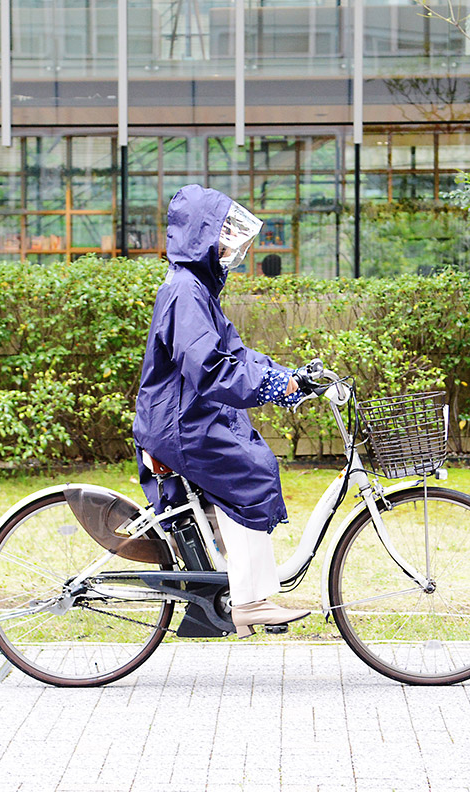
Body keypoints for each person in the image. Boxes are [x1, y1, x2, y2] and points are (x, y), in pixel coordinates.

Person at [132, 184, 310, 638]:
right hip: (179, 421)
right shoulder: (184, 292)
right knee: (250, 473)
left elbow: (236, 354)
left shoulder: (197, 290)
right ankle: (249, 602)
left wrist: (287, 378)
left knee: (245, 463)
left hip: (189, 414)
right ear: (200, 235)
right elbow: (211, 369)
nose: (231, 246)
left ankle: (228, 587)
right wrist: (272, 385)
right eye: (224, 234)